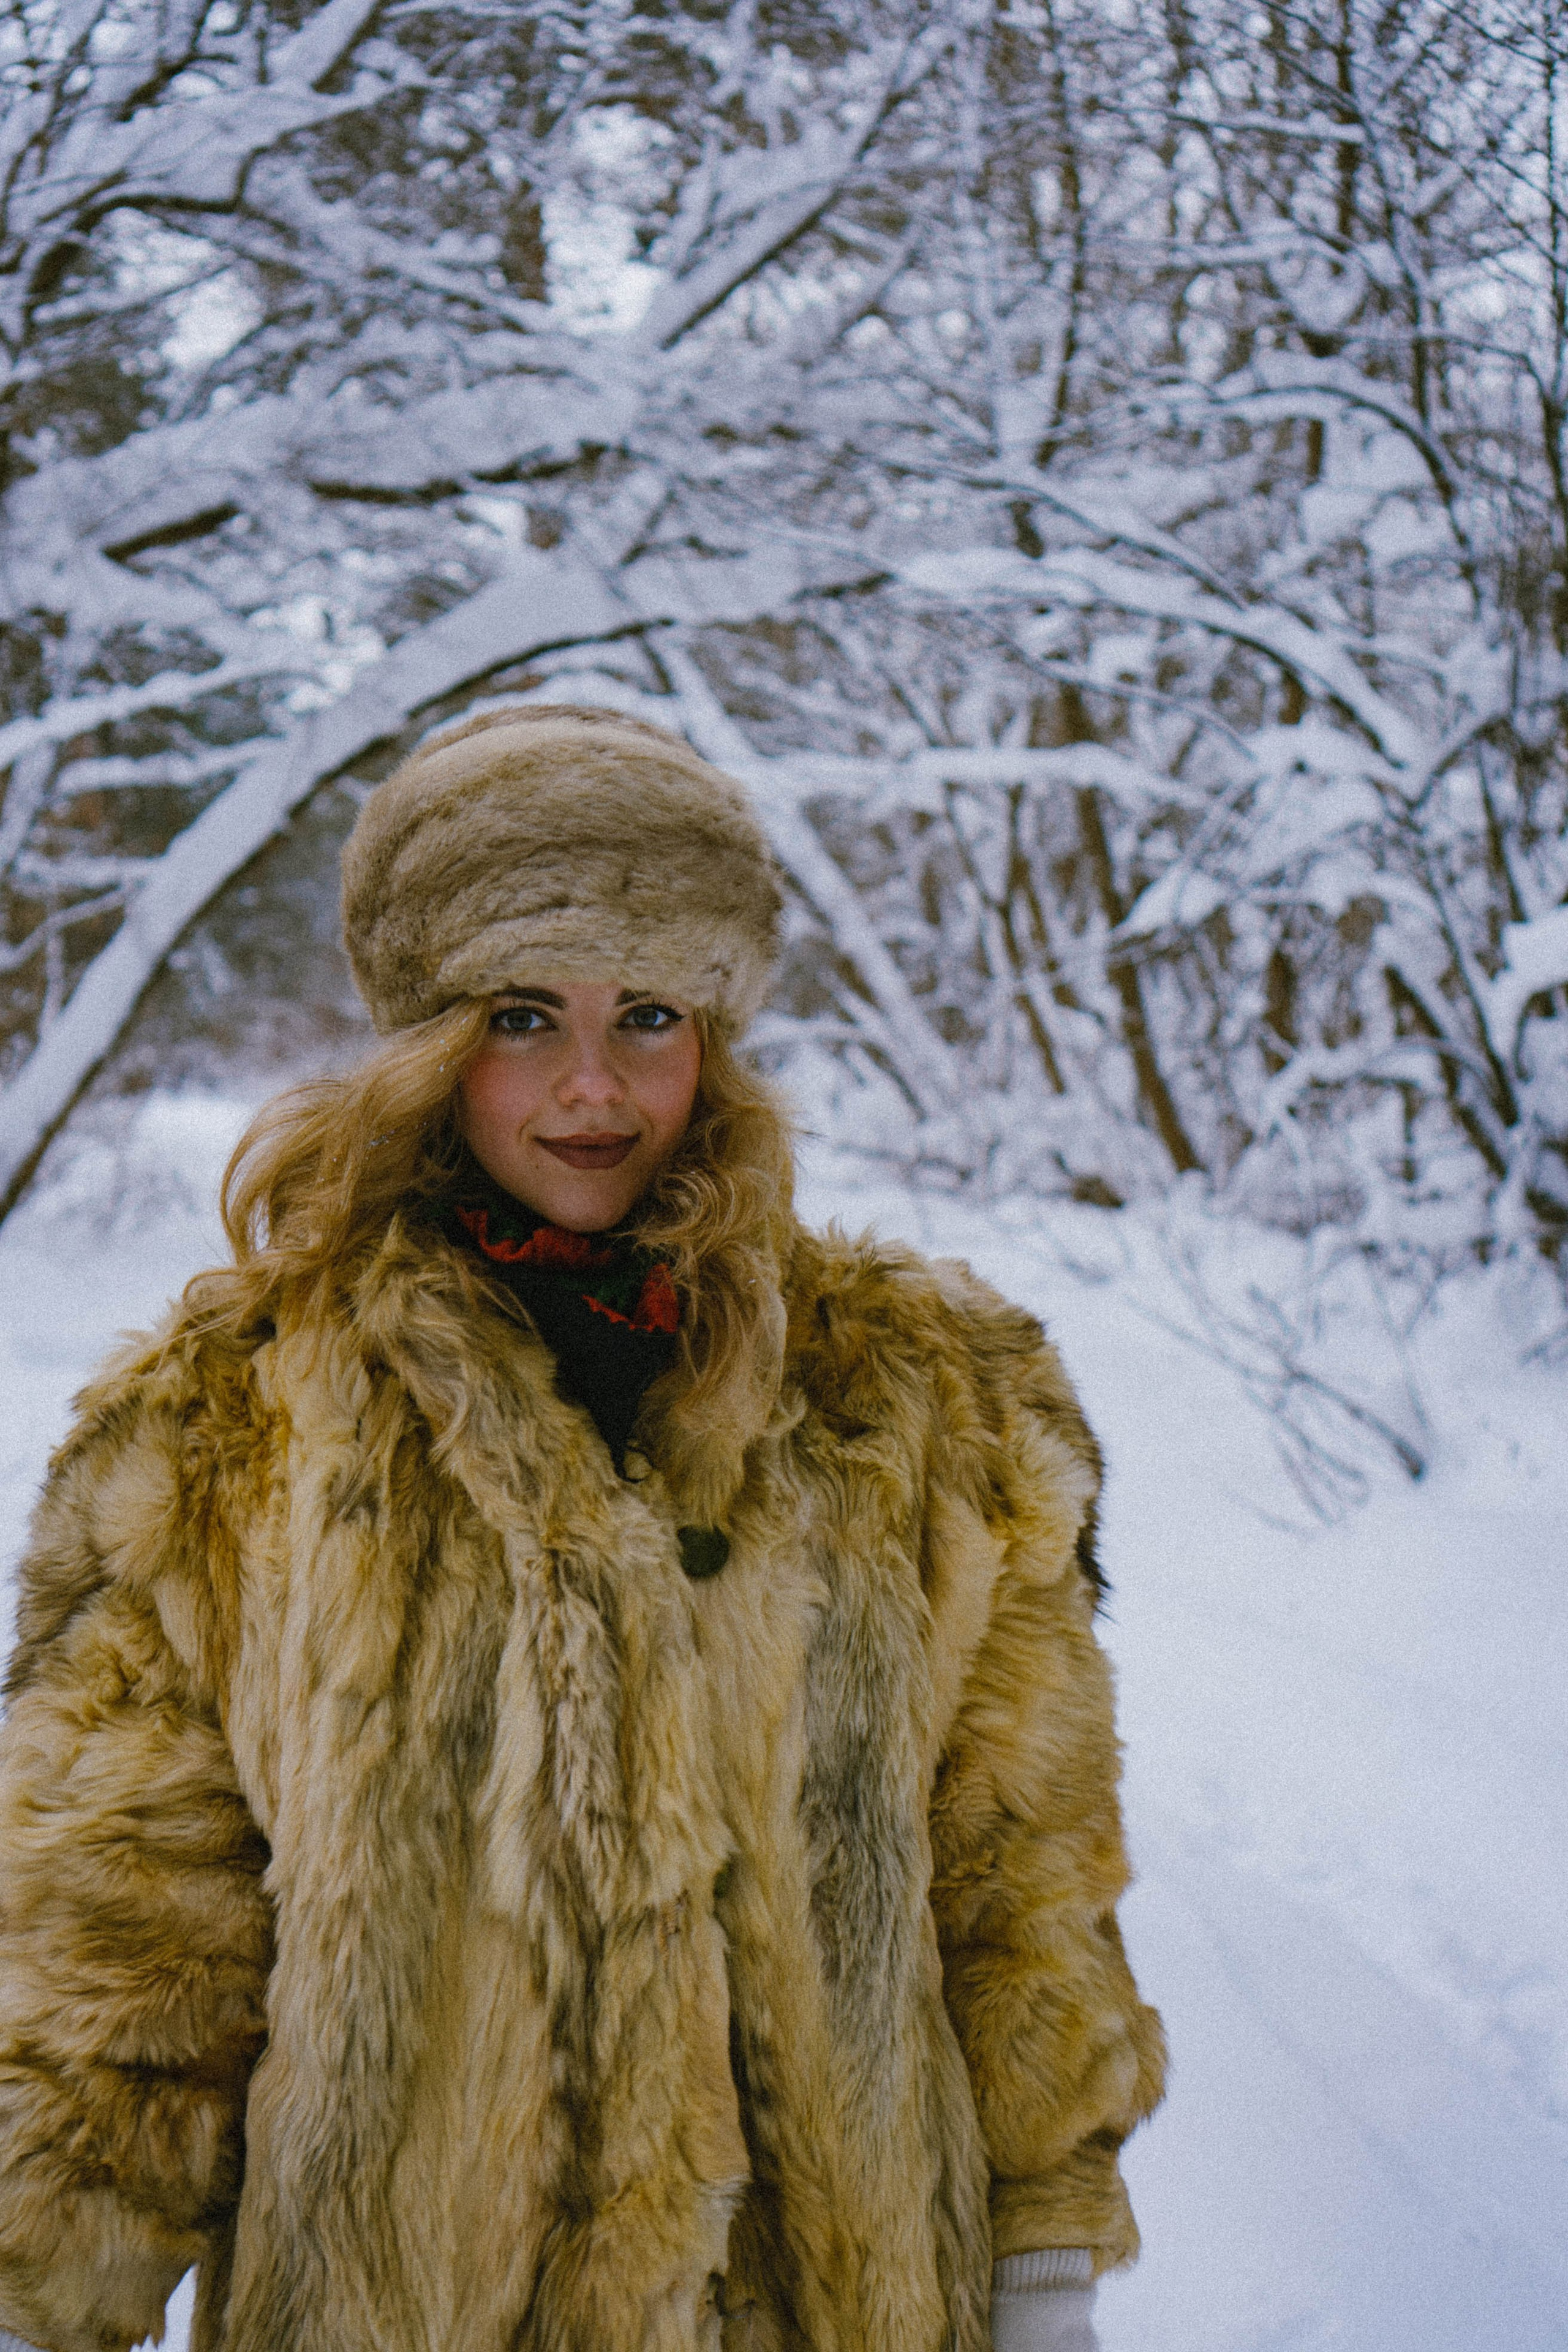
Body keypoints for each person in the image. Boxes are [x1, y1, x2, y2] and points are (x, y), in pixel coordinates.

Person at [0, 706, 1164, 2352]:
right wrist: (48, 2296)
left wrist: (1045, 2268)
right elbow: (120, 1948)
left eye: (651, 1016)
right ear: (427, 1034)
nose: (594, 1087)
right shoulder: (222, 1432)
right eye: (525, 1016)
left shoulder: (923, 1409)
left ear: (721, 1032)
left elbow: (1022, 1882)